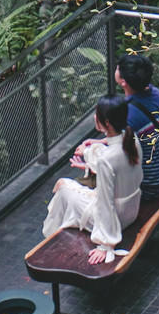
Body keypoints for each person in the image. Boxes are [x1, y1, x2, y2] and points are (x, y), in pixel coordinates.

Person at [41, 95, 142, 264]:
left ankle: (49, 241)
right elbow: (115, 161)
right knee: (69, 191)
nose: (95, 117)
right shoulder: (133, 140)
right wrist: (90, 155)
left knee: (64, 189)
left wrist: (105, 245)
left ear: (107, 123)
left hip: (116, 220)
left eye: (97, 114)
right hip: (131, 210)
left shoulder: (106, 161)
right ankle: (52, 236)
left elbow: (105, 204)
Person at [115, 52, 159, 197]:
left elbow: (120, 156)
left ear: (123, 82)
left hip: (148, 186)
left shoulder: (127, 114)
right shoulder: (157, 94)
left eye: (118, 69)